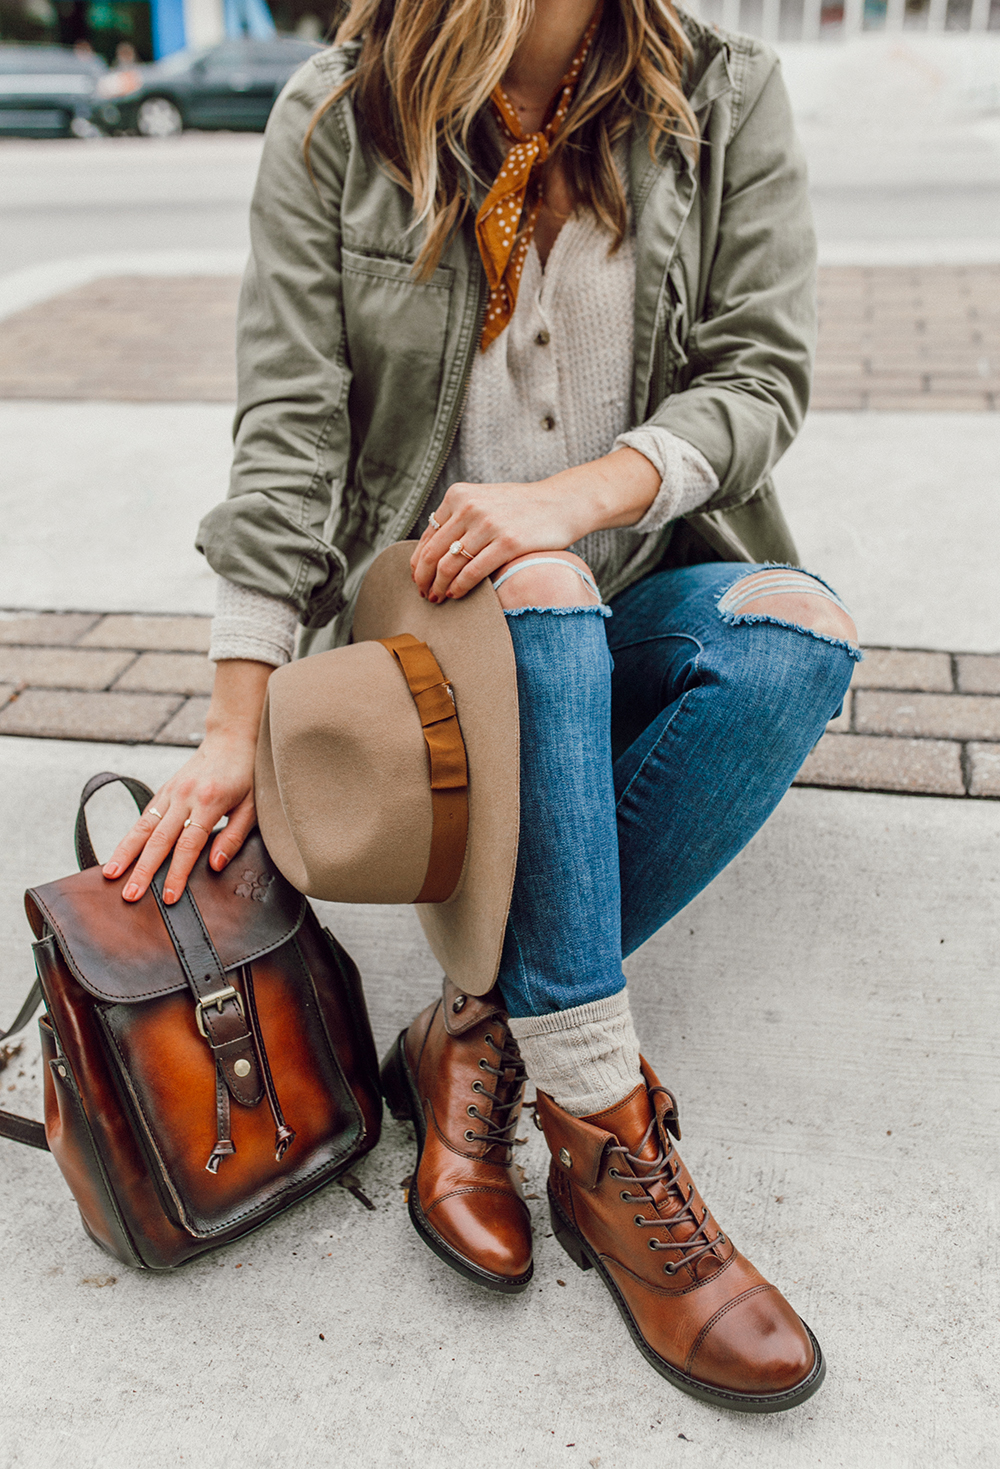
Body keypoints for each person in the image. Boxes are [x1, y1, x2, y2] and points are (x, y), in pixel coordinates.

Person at [103, 0, 858, 1412]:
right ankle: (607, 1126)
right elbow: (289, 434)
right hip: (435, 635)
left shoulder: (724, 93)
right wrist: (231, 724)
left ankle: (477, 1026)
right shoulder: (340, 117)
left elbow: (760, 378)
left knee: (794, 633)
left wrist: (578, 494)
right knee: (541, 591)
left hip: (633, 570)